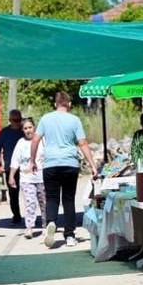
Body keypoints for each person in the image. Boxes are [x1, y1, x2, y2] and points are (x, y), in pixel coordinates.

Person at [31, 91, 98, 249]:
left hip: (50, 164)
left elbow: (35, 140)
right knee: (68, 200)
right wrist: (93, 166)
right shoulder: (75, 120)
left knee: (52, 198)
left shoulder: (46, 118)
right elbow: (82, 143)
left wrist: (32, 160)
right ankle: (69, 236)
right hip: (69, 164)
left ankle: (51, 222)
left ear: (55, 104)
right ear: (69, 104)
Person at [9, 118, 46, 239]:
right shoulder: (21, 143)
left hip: (42, 176)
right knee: (30, 203)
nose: (28, 130)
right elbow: (15, 160)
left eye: (30, 127)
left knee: (44, 203)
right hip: (26, 178)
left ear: (34, 127)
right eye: (25, 128)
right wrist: (11, 176)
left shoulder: (42, 140)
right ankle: (29, 227)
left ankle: (45, 226)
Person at [0, 109, 26, 226]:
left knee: (31, 193)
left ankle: (32, 216)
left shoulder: (24, 131)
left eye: (19, 120)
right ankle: (16, 216)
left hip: (26, 168)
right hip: (11, 168)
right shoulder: (4, 133)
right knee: (13, 194)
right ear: (10, 120)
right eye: (15, 120)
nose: (17, 122)